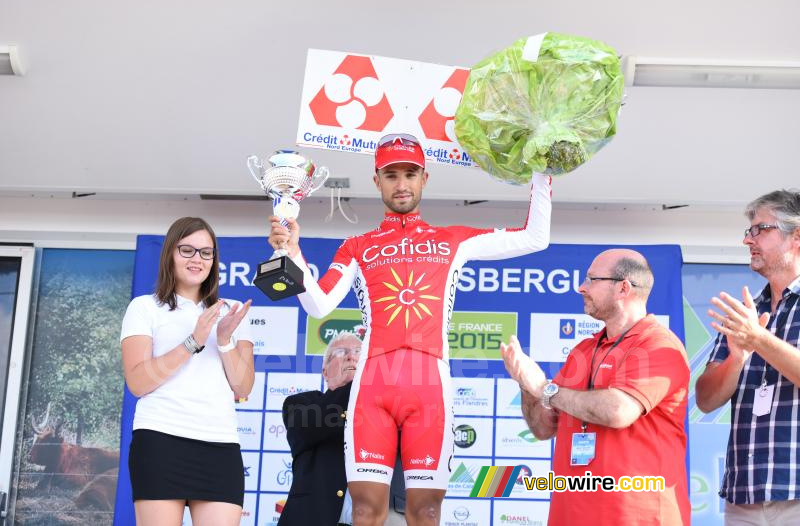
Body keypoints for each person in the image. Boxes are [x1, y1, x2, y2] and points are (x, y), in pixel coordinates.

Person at [269, 133, 551, 525]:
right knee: (366, 511)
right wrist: (293, 253)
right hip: (372, 389)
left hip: (429, 385)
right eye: (391, 175)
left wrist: (541, 170)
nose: (401, 184)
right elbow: (319, 304)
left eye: (410, 174)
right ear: (377, 181)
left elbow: (536, 238)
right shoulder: (357, 246)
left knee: (426, 511)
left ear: (424, 179)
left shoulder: (453, 239)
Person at [501, 248, 690, 526]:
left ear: (623, 288)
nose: (581, 288)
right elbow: (543, 428)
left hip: (637, 517)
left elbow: (618, 411)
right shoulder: (584, 349)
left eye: (592, 279)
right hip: (572, 516)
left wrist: (544, 388)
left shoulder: (659, 344)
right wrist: (526, 383)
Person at [120, 216, 254, 526]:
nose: (198, 259)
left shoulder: (231, 312)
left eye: (206, 252)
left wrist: (223, 341)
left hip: (220, 444)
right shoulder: (145, 307)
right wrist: (193, 341)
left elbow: (244, 387)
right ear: (170, 253)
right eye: (188, 250)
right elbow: (138, 383)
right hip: (160, 440)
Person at [696, 189, 800, 525]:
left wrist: (758, 339)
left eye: (760, 230)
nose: (748, 240)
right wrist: (737, 358)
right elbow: (706, 400)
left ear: (796, 236)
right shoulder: (745, 313)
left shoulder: (750, 325)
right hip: (745, 495)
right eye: (748, 231)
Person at [280, 332, 406, 526]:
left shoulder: (396, 403)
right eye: (341, 352)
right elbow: (314, 425)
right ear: (325, 371)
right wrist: (366, 379)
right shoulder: (302, 403)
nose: (351, 356)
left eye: (359, 352)